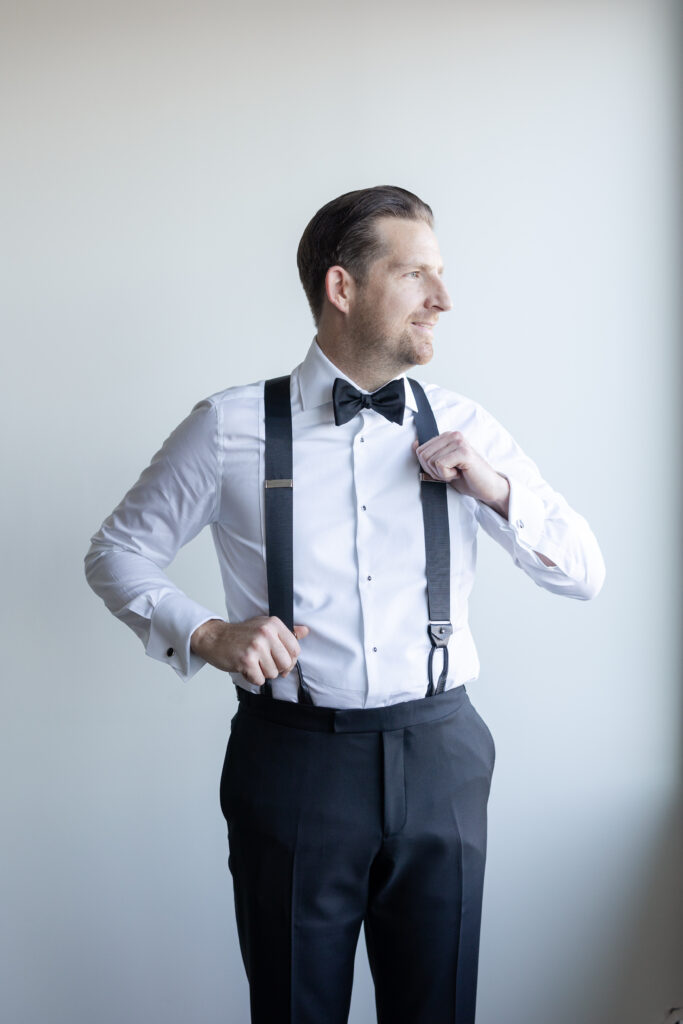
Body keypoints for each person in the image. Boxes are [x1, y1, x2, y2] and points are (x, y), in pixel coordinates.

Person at [85, 185, 605, 1024]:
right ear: (342, 287)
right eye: (416, 275)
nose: (443, 299)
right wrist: (209, 633)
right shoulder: (228, 427)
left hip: (442, 755)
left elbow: (582, 572)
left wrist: (496, 489)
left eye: (441, 275)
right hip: (292, 762)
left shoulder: (467, 425)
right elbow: (116, 552)